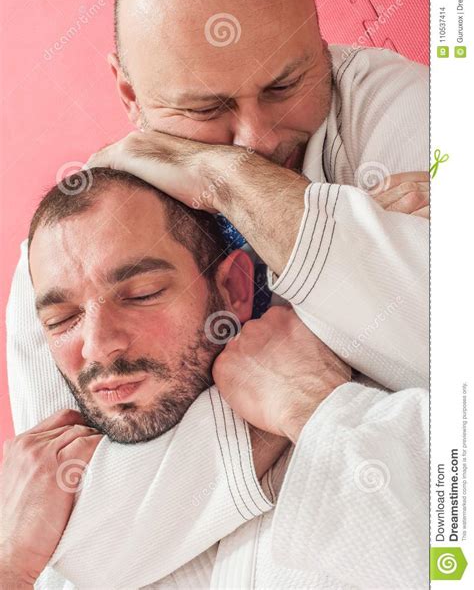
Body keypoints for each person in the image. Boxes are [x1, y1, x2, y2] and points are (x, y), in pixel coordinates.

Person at [5, 0, 428, 587]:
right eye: (205, 111)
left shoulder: (404, 108)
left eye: (287, 85)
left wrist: (226, 177)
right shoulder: (73, 243)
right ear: (129, 93)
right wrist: (312, 375)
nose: (257, 140)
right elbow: (80, 542)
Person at [2, 169, 426, 589]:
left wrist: (313, 405)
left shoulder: (394, 428)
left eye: (142, 294)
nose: (97, 346)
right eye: (62, 319)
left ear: (235, 290)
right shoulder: (41, 523)